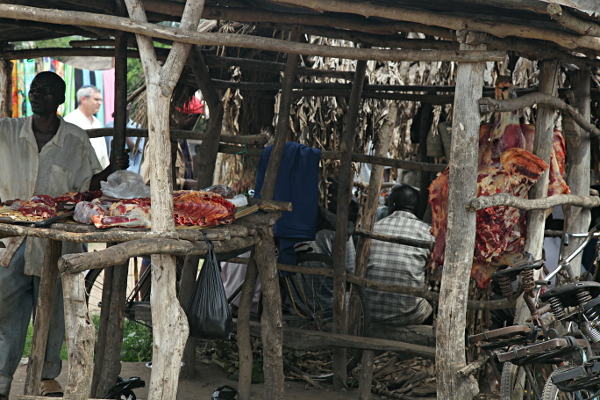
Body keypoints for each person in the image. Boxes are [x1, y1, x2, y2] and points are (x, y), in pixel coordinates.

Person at [0, 71, 129, 399]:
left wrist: (111, 170)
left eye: (45, 90)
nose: (36, 94)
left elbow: (89, 186)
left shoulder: (74, 139)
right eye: (33, 89)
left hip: (56, 241)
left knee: (55, 309)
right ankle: (1, 379)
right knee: (7, 311)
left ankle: (46, 376)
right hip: (11, 241)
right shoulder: (7, 131)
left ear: (59, 99)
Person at [365, 184, 434, 326]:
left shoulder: (372, 229)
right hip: (407, 316)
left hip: (368, 312)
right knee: (430, 302)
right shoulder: (428, 233)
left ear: (392, 205)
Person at [63, 85, 110, 169]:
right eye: (96, 99)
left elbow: (103, 152)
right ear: (83, 99)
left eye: (100, 100)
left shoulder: (97, 122)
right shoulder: (70, 121)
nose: (100, 103)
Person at [104, 103, 145, 175]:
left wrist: (121, 128)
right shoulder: (108, 126)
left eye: (127, 106)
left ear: (131, 110)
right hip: (113, 173)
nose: (124, 109)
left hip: (133, 173)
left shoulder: (138, 127)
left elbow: (135, 150)